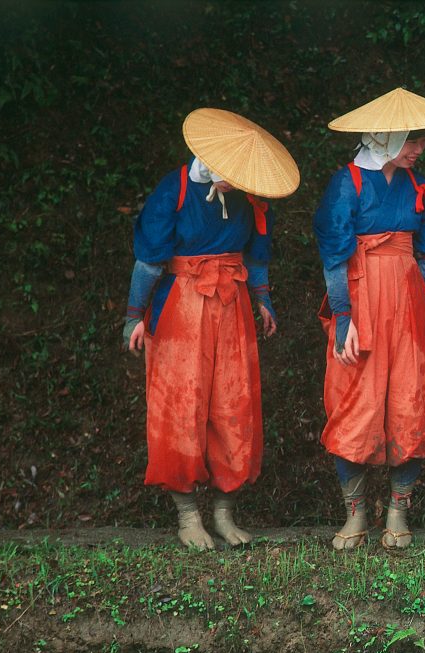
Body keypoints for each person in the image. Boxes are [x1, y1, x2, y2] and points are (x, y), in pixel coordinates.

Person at [123, 108, 299, 550]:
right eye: (230, 175)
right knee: (180, 407)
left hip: (232, 303)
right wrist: (133, 316)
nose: (235, 183)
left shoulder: (250, 197)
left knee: (233, 404)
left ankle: (224, 511)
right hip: (181, 304)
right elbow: (148, 261)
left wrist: (263, 300)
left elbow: (256, 256)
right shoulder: (175, 191)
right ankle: (187, 516)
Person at [314, 88, 425, 550]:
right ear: (384, 136)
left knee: (411, 401)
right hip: (361, 303)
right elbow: (333, 259)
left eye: (421, 141)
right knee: (353, 405)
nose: (419, 149)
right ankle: (355, 517)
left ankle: (398, 513)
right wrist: (343, 318)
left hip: (409, 306)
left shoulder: (419, 188)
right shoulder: (347, 184)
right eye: (411, 140)